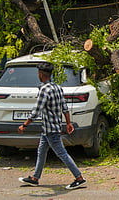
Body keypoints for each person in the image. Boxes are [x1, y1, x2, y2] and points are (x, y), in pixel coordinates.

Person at [18, 62, 86, 190]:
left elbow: (36, 111)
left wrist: (24, 125)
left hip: (51, 129)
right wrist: (68, 123)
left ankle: (79, 178)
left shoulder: (44, 90)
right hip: (50, 128)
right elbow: (64, 107)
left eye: (38, 72)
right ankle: (35, 178)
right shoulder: (57, 88)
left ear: (41, 74)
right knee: (41, 151)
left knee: (62, 154)